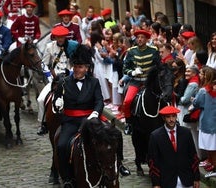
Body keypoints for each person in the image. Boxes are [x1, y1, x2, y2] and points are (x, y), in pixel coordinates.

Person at [52, 44, 130, 187]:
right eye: (75, 66)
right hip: (71, 121)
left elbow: (99, 101)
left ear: (86, 68)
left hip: (91, 119)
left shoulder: (93, 82)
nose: (77, 69)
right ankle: (67, 178)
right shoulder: (64, 82)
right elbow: (56, 106)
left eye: (80, 67)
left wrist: (94, 114)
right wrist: (57, 105)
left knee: (115, 135)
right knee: (62, 145)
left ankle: (120, 164)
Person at [36, 26, 79, 135]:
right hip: (54, 78)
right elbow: (44, 64)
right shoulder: (50, 47)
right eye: (58, 37)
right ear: (55, 37)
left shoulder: (72, 46)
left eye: (62, 37)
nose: (60, 39)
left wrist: (71, 73)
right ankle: (43, 123)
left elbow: (76, 62)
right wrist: (50, 76)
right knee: (40, 99)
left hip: (69, 77)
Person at [148, 105, 200, 188]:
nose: (171, 119)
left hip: (187, 179)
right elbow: (153, 161)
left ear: (176, 117)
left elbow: (193, 156)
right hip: (167, 181)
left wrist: (196, 178)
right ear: (163, 118)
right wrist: (156, 183)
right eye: (168, 117)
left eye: (173, 116)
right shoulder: (155, 136)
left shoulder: (186, 133)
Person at [122, 29, 160, 129]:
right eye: (138, 37)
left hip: (150, 82)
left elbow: (158, 66)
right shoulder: (131, 51)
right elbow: (125, 69)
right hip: (136, 81)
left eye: (142, 37)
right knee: (127, 101)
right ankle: (128, 122)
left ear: (147, 39)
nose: (139, 39)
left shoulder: (154, 50)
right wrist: (133, 72)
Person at [193, 68, 216, 178]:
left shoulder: (203, 91)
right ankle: (212, 164)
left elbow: (197, 103)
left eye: (202, 73)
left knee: (211, 147)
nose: (200, 75)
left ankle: (214, 167)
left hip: (207, 122)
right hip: (213, 122)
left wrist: (193, 99)